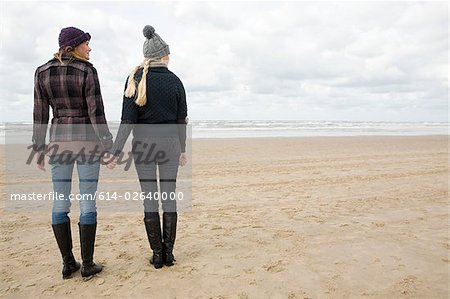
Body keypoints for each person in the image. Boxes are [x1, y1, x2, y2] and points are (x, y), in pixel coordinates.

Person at [33, 26, 113, 279]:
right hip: (87, 142)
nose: (90, 48)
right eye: (86, 43)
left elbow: (40, 115)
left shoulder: (42, 72)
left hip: (58, 142)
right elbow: (96, 113)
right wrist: (108, 146)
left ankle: (68, 263)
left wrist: (38, 147)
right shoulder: (87, 71)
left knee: (60, 201)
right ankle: (87, 264)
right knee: (87, 200)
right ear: (73, 46)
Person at [109, 25, 188, 269]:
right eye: (168, 53)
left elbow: (128, 121)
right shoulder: (175, 81)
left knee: (149, 200)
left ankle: (156, 254)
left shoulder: (134, 78)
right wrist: (183, 149)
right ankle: (169, 255)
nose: (170, 57)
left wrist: (115, 151)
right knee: (169, 198)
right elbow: (180, 120)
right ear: (164, 56)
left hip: (143, 146)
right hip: (170, 145)